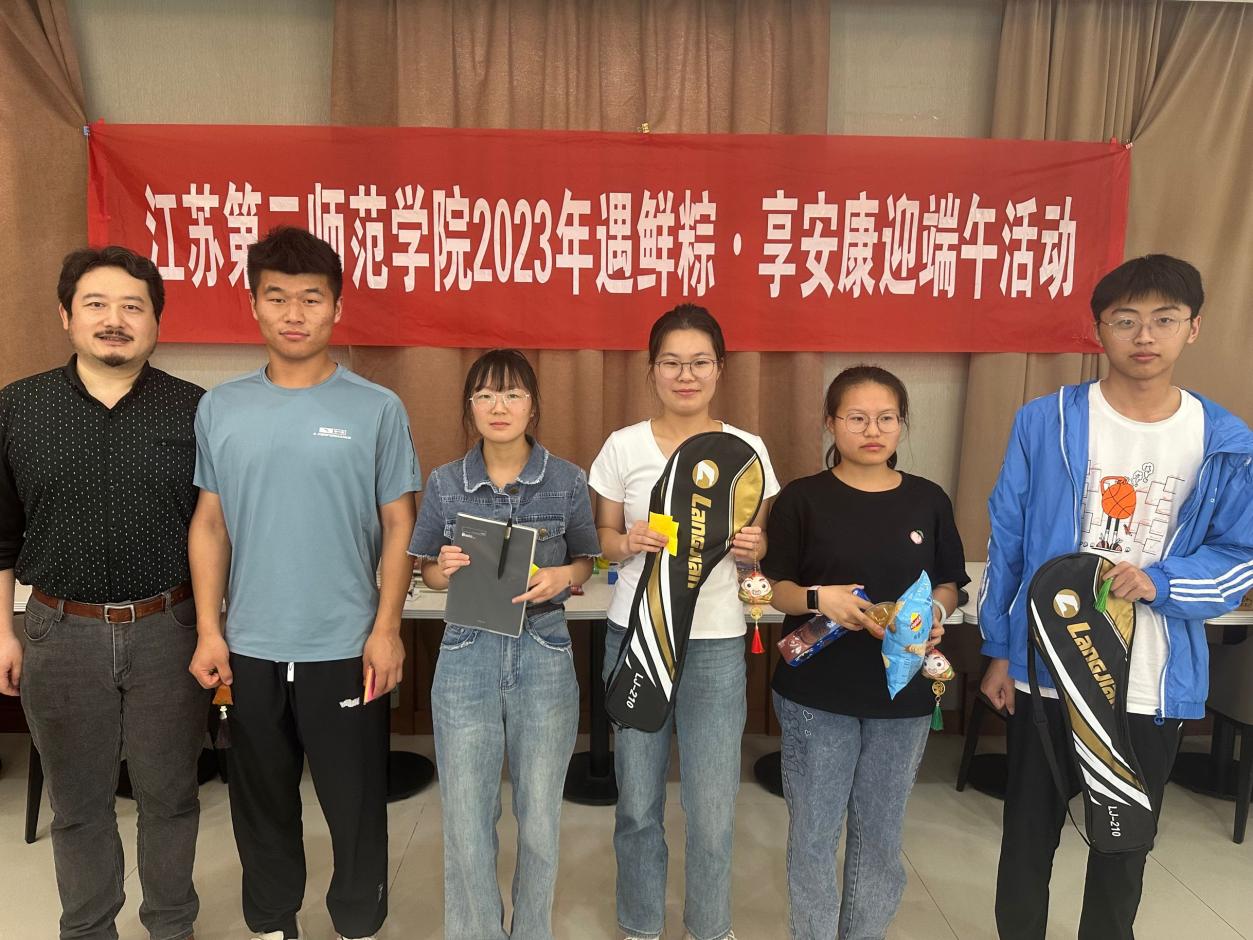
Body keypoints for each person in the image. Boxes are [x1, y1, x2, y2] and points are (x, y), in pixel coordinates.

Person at [979, 255, 1253, 939]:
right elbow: (1008, 541)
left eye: (1164, 319)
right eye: (1125, 320)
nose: (1144, 335)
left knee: (1122, 851)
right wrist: (998, 652)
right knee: (1025, 842)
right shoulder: (1046, 421)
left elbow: (1240, 556)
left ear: (1193, 328)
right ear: (1098, 328)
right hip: (1047, 670)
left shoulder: (1223, 440)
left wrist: (1162, 582)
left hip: (1152, 682)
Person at [187, 227, 420, 940]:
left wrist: (386, 629)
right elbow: (209, 524)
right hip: (250, 646)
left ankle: (356, 924)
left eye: (311, 298)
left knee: (356, 804)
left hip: (346, 646)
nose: (294, 313)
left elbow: (400, 525)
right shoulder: (221, 407)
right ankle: (270, 922)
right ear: (253, 305)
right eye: (278, 297)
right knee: (259, 805)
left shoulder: (376, 408)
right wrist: (209, 631)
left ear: (337, 308)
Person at [0, 246, 209, 940]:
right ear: (66, 315)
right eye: (96, 304)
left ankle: (171, 927)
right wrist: (2, 633)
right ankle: (89, 931)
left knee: (171, 798)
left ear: (156, 322)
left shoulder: (195, 410)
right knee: (79, 806)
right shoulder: (18, 408)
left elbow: (217, 531)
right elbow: (1, 535)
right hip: (58, 632)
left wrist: (215, 628)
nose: (114, 319)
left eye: (132, 306)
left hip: (170, 628)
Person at [590, 304, 779, 940]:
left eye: (699, 362)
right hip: (636, 636)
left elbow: (757, 544)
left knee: (712, 806)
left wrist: (754, 547)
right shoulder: (624, 446)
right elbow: (602, 539)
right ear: (652, 370)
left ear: (719, 369)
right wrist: (626, 543)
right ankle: (640, 925)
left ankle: (710, 927)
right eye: (671, 362)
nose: (685, 375)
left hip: (717, 642)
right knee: (637, 801)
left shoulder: (748, 450)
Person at [764, 365, 965, 940]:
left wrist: (934, 616)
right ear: (831, 423)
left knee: (880, 835)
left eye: (886, 418)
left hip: (902, 693)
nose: (872, 430)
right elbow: (773, 587)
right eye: (856, 418)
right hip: (817, 693)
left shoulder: (927, 499)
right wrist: (818, 598)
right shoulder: (802, 499)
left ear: (902, 424)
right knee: (814, 835)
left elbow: (949, 583)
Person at [409, 348, 600, 940]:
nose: (500, 406)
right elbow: (427, 571)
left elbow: (587, 559)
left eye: (513, 394)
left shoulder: (566, 479)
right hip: (466, 652)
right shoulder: (446, 482)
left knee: (539, 821)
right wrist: (443, 568)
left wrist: (563, 576)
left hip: (544, 649)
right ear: (470, 406)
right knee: (468, 821)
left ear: (532, 406)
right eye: (486, 394)